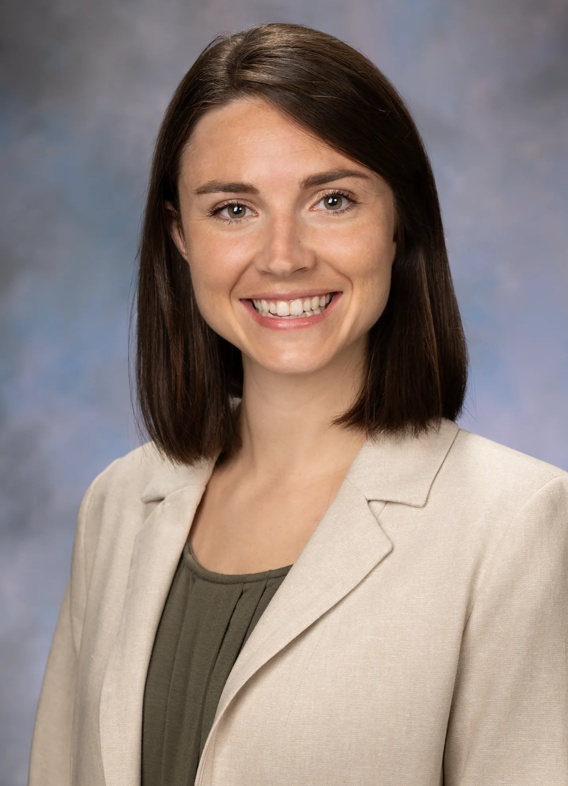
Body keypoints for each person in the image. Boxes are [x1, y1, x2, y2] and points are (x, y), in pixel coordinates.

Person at [29, 22, 568, 786]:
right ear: (180, 236)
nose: (283, 256)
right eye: (234, 210)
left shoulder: (515, 523)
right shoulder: (118, 505)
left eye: (333, 199)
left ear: (398, 224)